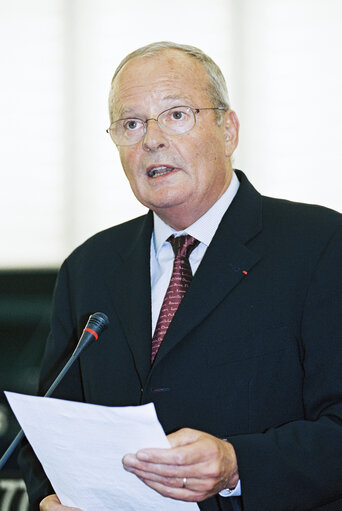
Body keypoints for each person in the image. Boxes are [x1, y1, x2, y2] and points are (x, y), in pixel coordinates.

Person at [18, 42, 342, 511]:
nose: (150, 140)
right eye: (131, 124)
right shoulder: (88, 267)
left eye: (175, 115)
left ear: (228, 130)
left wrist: (237, 465)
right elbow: (49, 426)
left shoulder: (321, 245)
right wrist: (47, 496)